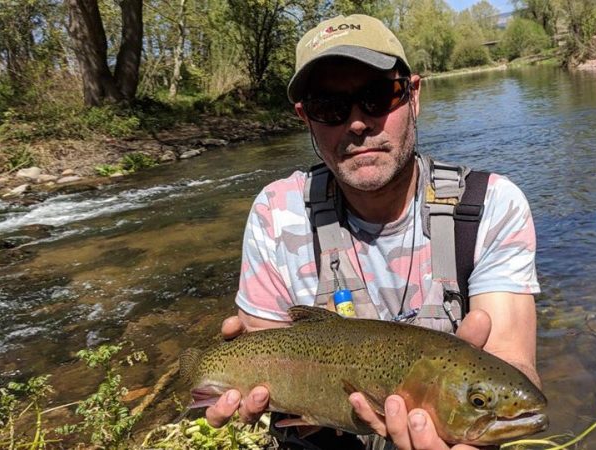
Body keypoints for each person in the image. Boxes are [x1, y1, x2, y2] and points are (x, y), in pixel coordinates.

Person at [205, 13, 542, 450]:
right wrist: (246, 390)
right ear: (306, 118)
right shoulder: (277, 214)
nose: (358, 123)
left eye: (378, 95)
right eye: (330, 106)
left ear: (414, 96)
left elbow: (512, 359)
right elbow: (265, 358)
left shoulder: (489, 206)